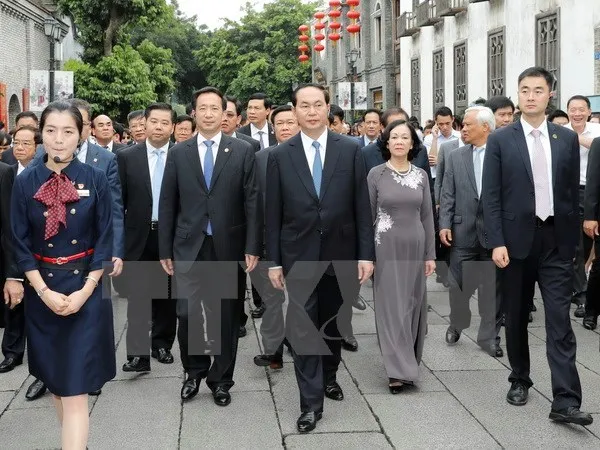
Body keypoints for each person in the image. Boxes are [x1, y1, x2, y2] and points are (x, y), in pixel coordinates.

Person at [482, 66, 592, 426]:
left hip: (556, 242)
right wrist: (496, 241)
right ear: (518, 95)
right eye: (525, 90)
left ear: (550, 95)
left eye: (538, 90)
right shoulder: (500, 139)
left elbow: (571, 193)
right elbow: (492, 197)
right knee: (515, 316)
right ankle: (520, 378)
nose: (531, 96)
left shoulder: (565, 139)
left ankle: (565, 399)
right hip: (514, 243)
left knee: (559, 320)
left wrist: (574, 239)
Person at [265, 84, 374, 433]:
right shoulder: (281, 155)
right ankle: (310, 403)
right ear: (294, 111)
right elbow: (273, 213)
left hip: (341, 255)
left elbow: (361, 206)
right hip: (298, 255)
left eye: (318, 105)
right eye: (304, 106)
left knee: (333, 324)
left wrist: (365, 255)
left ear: (328, 108)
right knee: (302, 329)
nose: (311, 112)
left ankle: (329, 375)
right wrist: (275, 261)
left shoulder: (351, 149)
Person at [10, 101, 115, 449]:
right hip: (44, 292)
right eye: (51, 131)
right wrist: (42, 292)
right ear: (42, 134)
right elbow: (19, 243)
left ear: (81, 134)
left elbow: (105, 239)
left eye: (68, 131)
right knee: (58, 382)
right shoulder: (25, 182)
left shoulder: (95, 179)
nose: (59, 139)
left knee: (75, 390)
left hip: (86, 290)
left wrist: (86, 291)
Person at [158, 87, 261, 405]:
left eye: (214, 108)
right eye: (202, 108)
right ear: (193, 113)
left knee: (225, 317)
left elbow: (253, 200)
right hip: (188, 246)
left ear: (224, 113)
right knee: (187, 314)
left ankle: (221, 380)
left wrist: (252, 245)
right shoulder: (178, 152)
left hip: (226, 246)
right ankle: (193, 371)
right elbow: (167, 203)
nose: (208, 113)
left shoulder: (242, 150)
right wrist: (165, 249)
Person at [367, 119, 435, 393]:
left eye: (404, 137)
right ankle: (397, 371)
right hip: (385, 246)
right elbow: (368, 215)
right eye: (393, 137)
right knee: (390, 308)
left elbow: (428, 216)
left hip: (415, 246)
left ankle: (409, 360)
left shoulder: (421, 175)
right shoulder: (376, 174)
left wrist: (430, 255)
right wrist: (365, 255)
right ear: (386, 143)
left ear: (412, 143)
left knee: (412, 305)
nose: (398, 141)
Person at [117, 103, 177, 373]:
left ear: (173, 127)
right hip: (138, 236)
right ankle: (137, 354)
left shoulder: (182, 156)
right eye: (154, 121)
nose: (158, 127)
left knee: (167, 295)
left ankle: (162, 344)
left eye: (165, 123)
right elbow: (119, 202)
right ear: (145, 122)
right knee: (138, 296)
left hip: (171, 236)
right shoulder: (128, 157)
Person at [439, 106, 503, 357]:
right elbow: (447, 192)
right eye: (462, 124)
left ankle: (489, 337)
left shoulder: (501, 155)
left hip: (493, 234)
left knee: (492, 289)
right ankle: (457, 322)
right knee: (457, 285)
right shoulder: (456, 156)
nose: (462, 129)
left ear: (486, 127)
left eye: (467, 124)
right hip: (461, 230)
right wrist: (444, 224)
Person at [253, 105, 299, 370]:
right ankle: (273, 351)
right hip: (268, 240)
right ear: (272, 128)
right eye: (279, 123)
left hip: (299, 240)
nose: (284, 127)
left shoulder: (308, 157)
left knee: (301, 298)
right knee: (272, 299)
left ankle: (296, 341)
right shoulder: (260, 158)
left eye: (289, 122)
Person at [0, 126, 41, 374]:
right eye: (17, 143)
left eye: (26, 143)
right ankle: (13, 351)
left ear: (37, 147)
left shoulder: (42, 171)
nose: (20, 148)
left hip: (38, 245)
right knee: (13, 300)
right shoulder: (8, 170)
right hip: (12, 243)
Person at [583, 137, 600, 330]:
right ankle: (592, 311)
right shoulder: (598, 144)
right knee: (599, 267)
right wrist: (590, 216)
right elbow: (593, 181)